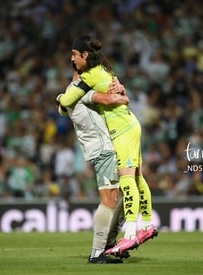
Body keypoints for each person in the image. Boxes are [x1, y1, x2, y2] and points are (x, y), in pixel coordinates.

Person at [58, 35, 158, 256]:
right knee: (137, 178)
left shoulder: (90, 76)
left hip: (121, 130)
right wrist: (122, 93)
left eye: (75, 55)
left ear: (85, 55)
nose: (72, 59)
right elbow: (119, 95)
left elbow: (66, 102)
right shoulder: (103, 70)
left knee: (126, 180)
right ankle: (147, 225)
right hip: (129, 125)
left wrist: (60, 98)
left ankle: (130, 235)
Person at [56, 64, 130, 264]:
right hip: (102, 149)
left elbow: (62, 107)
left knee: (127, 191)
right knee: (109, 199)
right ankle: (98, 252)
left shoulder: (69, 96)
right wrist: (122, 95)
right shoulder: (79, 93)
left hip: (102, 148)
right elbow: (109, 98)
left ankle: (109, 243)